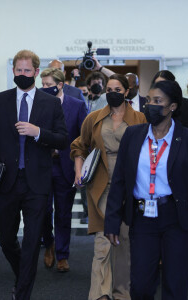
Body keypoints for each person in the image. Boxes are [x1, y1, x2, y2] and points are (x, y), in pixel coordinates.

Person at [105, 80, 188, 300]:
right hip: (142, 219)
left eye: (158, 101)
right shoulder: (133, 135)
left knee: (175, 285)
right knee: (141, 286)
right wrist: (112, 221)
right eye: (148, 101)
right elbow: (119, 180)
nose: (150, 106)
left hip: (177, 220)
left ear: (172, 106)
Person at [0, 50, 68, 300]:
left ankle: (23, 293)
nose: (23, 74)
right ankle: (23, 276)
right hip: (6, 181)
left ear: (36, 73)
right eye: (19, 70)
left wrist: (38, 131)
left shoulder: (50, 103)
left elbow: (62, 139)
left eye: (28, 71)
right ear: (13, 71)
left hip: (37, 183)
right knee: (6, 239)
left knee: (31, 242)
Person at [71, 74, 147, 300]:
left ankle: (122, 292)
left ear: (126, 92)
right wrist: (78, 170)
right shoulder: (94, 118)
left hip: (130, 186)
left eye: (117, 88)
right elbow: (79, 146)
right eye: (109, 88)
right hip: (101, 186)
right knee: (103, 239)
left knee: (123, 239)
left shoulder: (140, 118)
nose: (112, 92)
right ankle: (100, 294)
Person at [40, 68, 87, 272]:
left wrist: (80, 166)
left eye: (48, 85)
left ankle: (62, 254)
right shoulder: (37, 104)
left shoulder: (76, 106)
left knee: (63, 212)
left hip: (65, 165)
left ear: (60, 85)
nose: (44, 88)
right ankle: (48, 243)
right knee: (42, 211)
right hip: (42, 165)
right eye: (42, 85)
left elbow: (83, 137)